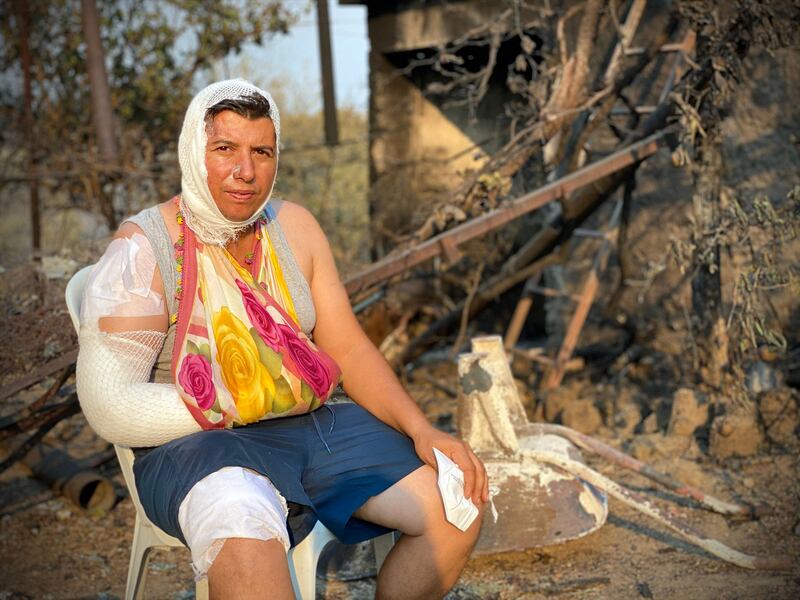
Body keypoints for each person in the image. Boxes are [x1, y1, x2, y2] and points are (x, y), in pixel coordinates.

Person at [76, 78, 487, 599]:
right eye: (225, 149)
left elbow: (350, 347)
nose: (245, 171)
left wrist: (423, 429)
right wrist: (255, 397)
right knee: (242, 524)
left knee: (457, 501)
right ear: (192, 152)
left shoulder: (294, 228)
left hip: (310, 426)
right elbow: (108, 404)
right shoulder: (145, 248)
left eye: (261, 152)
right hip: (196, 446)